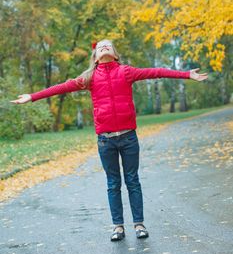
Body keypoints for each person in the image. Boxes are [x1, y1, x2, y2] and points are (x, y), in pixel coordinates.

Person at [10, 39, 208, 241]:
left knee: (132, 181)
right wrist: (32, 97)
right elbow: (62, 88)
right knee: (113, 183)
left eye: (108, 45)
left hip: (128, 137)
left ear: (115, 54)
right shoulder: (89, 78)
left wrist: (186, 74)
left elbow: (156, 72)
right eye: (100, 46)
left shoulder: (126, 72)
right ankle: (118, 227)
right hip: (106, 141)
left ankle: (139, 224)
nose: (104, 46)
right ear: (95, 57)